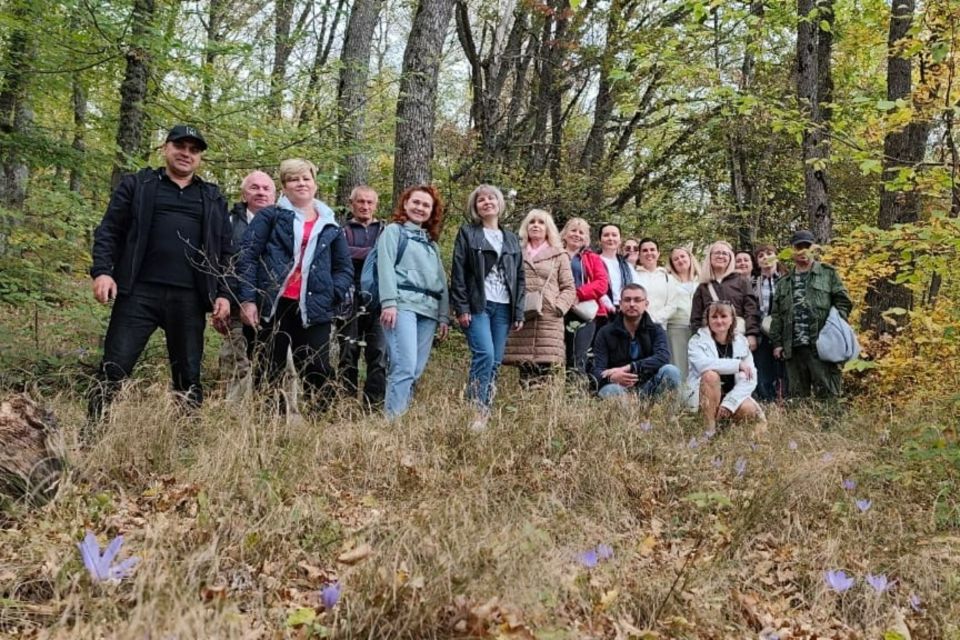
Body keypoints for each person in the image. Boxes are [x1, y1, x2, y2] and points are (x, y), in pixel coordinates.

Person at [88, 125, 232, 427]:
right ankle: (93, 433)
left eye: (194, 150)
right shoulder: (138, 185)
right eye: (180, 146)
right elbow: (109, 232)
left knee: (189, 374)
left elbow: (226, 249)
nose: (186, 154)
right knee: (115, 367)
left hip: (190, 299)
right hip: (137, 293)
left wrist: (222, 293)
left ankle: (186, 438)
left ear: (200, 158)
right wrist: (102, 272)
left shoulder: (212, 197)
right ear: (165, 148)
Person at [237, 159, 352, 416]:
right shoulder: (271, 216)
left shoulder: (330, 224)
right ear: (284, 187)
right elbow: (246, 257)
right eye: (293, 179)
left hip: (313, 308)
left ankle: (319, 429)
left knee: (317, 370)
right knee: (269, 372)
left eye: (305, 178)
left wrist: (332, 293)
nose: (300, 183)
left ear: (315, 184)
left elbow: (344, 269)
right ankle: (269, 435)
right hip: (273, 307)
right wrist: (248, 300)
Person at [450, 185, 525, 419]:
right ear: (476, 207)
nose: (487, 202)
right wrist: (461, 307)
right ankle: (475, 411)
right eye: (481, 200)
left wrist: (519, 311)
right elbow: (459, 271)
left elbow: (520, 276)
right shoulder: (468, 233)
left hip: (504, 307)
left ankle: (486, 408)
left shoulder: (512, 238)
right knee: (485, 354)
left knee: (496, 361)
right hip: (477, 305)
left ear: (500, 204)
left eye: (492, 198)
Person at [377, 185, 450, 420]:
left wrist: (443, 316)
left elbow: (441, 281)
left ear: (432, 211)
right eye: (416, 202)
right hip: (402, 306)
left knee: (415, 370)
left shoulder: (432, 244)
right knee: (404, 366)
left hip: (428, 311)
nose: (420, 208)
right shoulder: (393, 232)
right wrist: (389, 302)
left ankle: (401, 416)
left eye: (426, 205)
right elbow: (385, 266)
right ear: (405, 204)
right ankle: (392, 424)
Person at [770, 230, 853, 399]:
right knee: (797, 397)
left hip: (822, 345)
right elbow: (776, 315)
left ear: (813, 249)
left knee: (828, 393)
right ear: (792, 250)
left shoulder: (828, 273)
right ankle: (803, 425)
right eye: (798, 247)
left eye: (806, 247)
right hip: (793, 347)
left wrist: (835, 327)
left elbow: (843, 301)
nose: (802, 251)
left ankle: (830, 425)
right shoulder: (783, 282)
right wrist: (777, 343)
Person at [216, 170, 276, 402]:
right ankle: (235, 422)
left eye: (266, 188)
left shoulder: (287, 223)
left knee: (277, 364)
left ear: (274, 194)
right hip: (234, 306)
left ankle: (275, 420)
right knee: (236, 364)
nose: (261, 192)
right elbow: (220, 264)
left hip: (274, 307)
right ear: (243, 194)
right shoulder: (228, 223)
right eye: (254, 187)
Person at [503, 209, 576, 386]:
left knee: (545, 367)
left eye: (541, 222)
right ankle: (526, 408)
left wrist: (558, 307)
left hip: (548, 318)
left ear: (548, 228)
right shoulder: (515, 252)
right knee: (525, 366)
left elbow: (569, 287)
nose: (536, 225)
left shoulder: (559, 255)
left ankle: (543, 407)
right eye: (532, 222)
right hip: (523, 316)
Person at [336, 185, 387, 408]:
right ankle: (346, 403)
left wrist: (355, 251)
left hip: (379, 300)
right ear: (352, 204)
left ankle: (373, 405)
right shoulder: (341, 230)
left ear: (376, 205)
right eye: (360, 202)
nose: (365, 206)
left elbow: (390, 258)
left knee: (379, 353)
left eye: (369, 202)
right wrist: (375, 252)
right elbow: (341, 255)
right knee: (349, 352)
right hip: (349, 299)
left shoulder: (385, 229)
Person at [591, 283, 681, 399]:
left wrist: (631, 367)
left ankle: (665, 416)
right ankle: (627, 417)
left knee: (671, 371)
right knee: (611, 391)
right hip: (617, 387)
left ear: (646, 304)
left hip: (649, 386)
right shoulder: (605, 332)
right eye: (627, 300)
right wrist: (611, 378)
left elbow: (663, 357)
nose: (632, 304)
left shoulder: (656, 330)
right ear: (620, 304)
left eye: (637, 300)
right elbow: (597, 370)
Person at [686, 300, 765, 431]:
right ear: (708, 319)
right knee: (710, 375)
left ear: (732, 319)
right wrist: (737, 364)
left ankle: (725, 430)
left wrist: (729, 403)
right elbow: (702, 365)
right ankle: (708, 431)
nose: (719, 321)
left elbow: (750, 377)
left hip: (731, 396)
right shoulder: (696, 341)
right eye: (714, 317)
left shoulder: (741, 341)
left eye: (723, 316)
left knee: (749, 409)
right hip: (705, 397)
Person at [689, 240, 761, 352]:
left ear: (730, 258)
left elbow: (751, 310)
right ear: (710, 257)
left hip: (738, 339)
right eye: (717, 253)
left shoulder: (741, 281)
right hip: (710, 342)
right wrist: (699, 339)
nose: (721, 256)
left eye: (724, 253)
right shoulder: (703, 287)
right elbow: (696, 318)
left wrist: (751, 334)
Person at [560, 218, 608, 377]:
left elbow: (602, 283)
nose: (577, 234)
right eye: (573, 230)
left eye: (581, 232)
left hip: (583, 313)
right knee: (558, 356)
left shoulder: (592, 258)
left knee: (578, 356)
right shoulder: (555, 254)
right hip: (558, 311)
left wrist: (578, 294)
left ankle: (575, 395)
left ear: (586, 238)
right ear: (565, 234)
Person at [752, 243, 787, 401]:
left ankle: (785, 404)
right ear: (757, 262)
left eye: (769, 253)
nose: (765, 258)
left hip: (783, 333)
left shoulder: (787, 280)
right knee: (763, 371)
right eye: (761, 256)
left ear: (776, 257)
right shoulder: (753, 283)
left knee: (784, 372)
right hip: (762, 334)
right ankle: (767, 403)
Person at [666, 246, 700, 380]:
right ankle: (680, 398)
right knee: (679, 364)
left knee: (697, 366)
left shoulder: (701, 280)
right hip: (677, 328)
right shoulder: (668, 280)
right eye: (676, 259)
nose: (680, 260)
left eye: (683, 256)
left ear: (690, 258)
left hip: (698, 329)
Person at [632, 238, 679, 330]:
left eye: (652, 249)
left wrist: (652, 320)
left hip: (659, 328)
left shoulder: (668, 278)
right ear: (639, 255)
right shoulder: (633, 275)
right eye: (645, 250)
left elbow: (672, 306)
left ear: (658, 253)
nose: (649, 253)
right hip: (636, 328)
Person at [597, 223, 635, 319]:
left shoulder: (627, 266)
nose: (610, 238)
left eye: (614, 235)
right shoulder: (594, 261)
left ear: (620, 240)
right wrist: (611, 308)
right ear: (599, 240)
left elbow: (637, 288)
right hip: (603, 312)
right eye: (606, 235)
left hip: (627, 311)